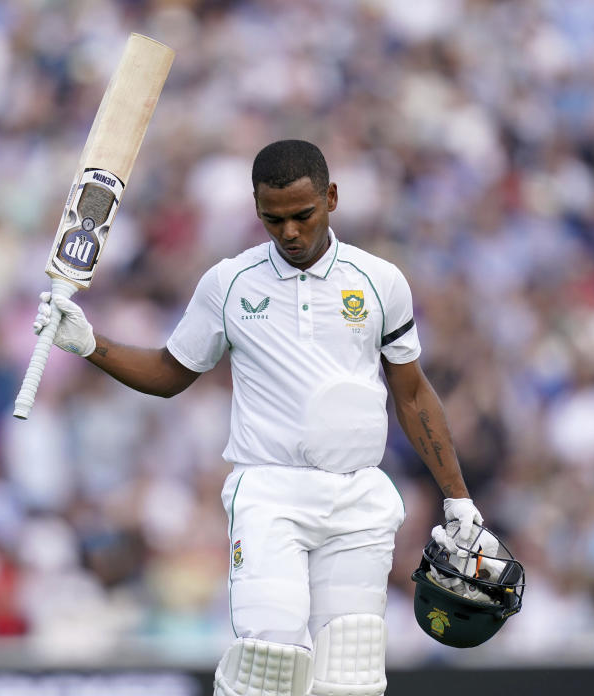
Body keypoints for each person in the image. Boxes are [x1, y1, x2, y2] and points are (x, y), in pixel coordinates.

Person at [33, 140, 483, 696]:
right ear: (256, 209)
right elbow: (173, 373)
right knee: (269, 664)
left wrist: (458, 497)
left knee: (352, 680)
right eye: (273, 219)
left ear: (332, 198)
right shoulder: (229, 283)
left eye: (303, 215)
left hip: (359, 497)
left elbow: (412, 395)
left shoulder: (379, 281)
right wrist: (88, 344)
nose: (290, 232)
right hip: (269, 491)